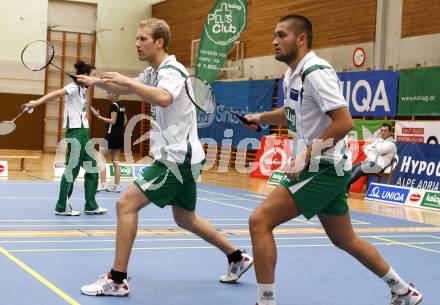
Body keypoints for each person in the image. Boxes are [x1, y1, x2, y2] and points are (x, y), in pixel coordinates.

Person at [244, 15, 422, 305]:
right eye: (274, 36)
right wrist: (262, 117)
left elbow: (344, 123)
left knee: (259, 222)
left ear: (301, 39)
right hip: (323, 167)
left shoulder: (316, 71)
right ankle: (403, 290)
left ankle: (265, 301)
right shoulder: (292, 74)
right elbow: (292, 111)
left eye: (282, 35)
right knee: (345, 239)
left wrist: (304, 155)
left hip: (323, 168)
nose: (275, 41)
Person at [76, 18, 253, 296]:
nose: (137, 43)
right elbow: (128, 87)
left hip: (177, 159)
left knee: (125, 205)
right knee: (186, 219)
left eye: (143, 39)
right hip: (185, 157)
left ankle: (117, 279)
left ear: (159, 42)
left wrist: (124, 82)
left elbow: (164, 98)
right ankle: (236, 257)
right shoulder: (153, 70)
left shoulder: (171, 70)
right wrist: (95, 81)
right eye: (136, 38)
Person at [22, 61, 108, 216]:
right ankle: (61, 206)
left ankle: (91, 205)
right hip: (77, 134)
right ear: (85, 76)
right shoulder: (73, 87)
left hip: (84, 134)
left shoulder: (82, 89)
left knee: (92, 169)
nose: (95, 79)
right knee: (72, 171)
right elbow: (55, 94)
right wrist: (36, 103)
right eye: (93, 76)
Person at [93, 92, 128, 193]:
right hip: (119, 135)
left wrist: (99, 117)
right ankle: (116, 186)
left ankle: (103, 184)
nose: (107, 94)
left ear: (115, 94)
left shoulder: (113, 105)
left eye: (109, 92)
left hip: (112, 136)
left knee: (100, 157)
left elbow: (112, 121)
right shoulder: (121, 104)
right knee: (115, 160)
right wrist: (118, 129)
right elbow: (125, 121)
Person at [346, 123, 397, 192]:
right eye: (381, 130)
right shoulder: (378, 141)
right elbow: (365, 150)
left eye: (385, 131)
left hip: (379, 167)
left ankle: (342, 187)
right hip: (369, 163)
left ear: (390, 132)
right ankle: (346, 188)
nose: (383, 132)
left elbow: (379, 150)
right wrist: (371, 148)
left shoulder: (391, 144)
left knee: (359, 169)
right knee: (352, 168)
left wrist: (370, 147)